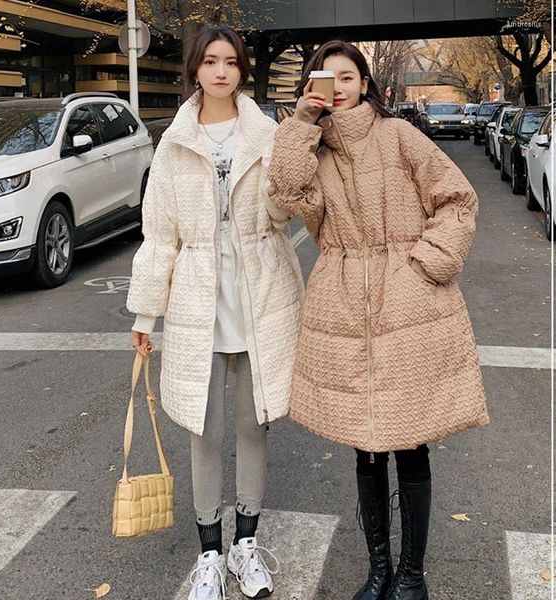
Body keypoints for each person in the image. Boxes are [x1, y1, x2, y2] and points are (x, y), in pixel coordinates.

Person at [268, 40, 489, 600]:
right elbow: (285, 192)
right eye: (325, 78)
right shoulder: (310, 149)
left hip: (409, 303)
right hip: (342, 301)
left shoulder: (398, 136)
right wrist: (300, 123)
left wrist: (429, 262)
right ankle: (377, 572)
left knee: (410, 443)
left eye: (347, 77)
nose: (336, 88)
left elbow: (457, 199)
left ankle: (411, 576)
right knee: (364, 445)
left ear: (365, 84)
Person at [126, 25, 303, 600]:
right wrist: (145, 316)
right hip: (198, 299)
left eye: (230, 61)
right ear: (195, 70)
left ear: (242, 69)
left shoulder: (267, 132)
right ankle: (209, 552)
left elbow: (283, 213)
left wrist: (288, 179)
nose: (221, 70)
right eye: (210, 61)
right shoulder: (174, 142)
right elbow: (160, 237)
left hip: (261, 294)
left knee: (255, 424)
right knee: (204, 430)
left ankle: (245, 545)